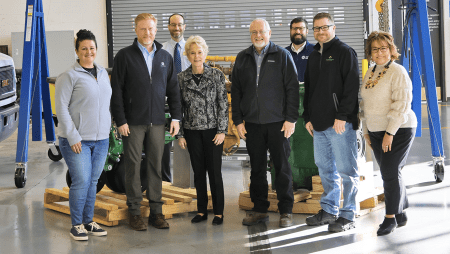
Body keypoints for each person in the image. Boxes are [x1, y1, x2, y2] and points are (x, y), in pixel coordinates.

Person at [110, 13, 181, 231]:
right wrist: (120, 120)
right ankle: (134, 213)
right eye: (142, 29)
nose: (147, 33)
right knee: (133, 165)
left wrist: (176, 117)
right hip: (132, 123)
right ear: (135, 30)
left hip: (158, 122)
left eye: (150, 29)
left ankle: (156, 213)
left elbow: (173, 90)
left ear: (156, 29)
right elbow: (117, 92)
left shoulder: (164, 57)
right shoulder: (124, 56)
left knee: (155, 166)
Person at [231, 18, 299, 228]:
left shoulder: (282, 55)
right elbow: (236, 91)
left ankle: (285, 210)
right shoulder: (242, 58)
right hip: (252, 124)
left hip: (278, 123)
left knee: (282, 167)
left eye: (261, 31)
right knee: (257, 169)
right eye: (253, 32)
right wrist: (238, 121)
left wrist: (291, 119)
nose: (258, 35)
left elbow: (292, 89)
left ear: (269, 33)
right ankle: (260, 209)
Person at [303, 12, 360, 232]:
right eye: (316, 29)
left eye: (324, 27)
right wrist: (308, 117)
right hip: (318, 125)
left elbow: (351, 88)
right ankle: (329, 210)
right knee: (325, 168)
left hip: (340, 124)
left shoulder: (345, 52)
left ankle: (348, 214)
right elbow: (309, 89)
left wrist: (342, 116)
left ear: (333, 28)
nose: (320, 32)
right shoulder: (314, 55)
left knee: (347, 170)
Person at [55, 29, 111, 241]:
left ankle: (88, 221)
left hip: (102, 138)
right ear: (77, 51)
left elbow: (105, 104)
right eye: (84, 48)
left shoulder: (103, 72)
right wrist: (72, 136)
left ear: (96, 49)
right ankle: (76, 224)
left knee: (93, 180)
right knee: (81, 180)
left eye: (92, 48)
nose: (89, 52)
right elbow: (60, 108)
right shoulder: (69, 76)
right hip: (77, 140)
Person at [360, 31, 417, 236]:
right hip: (375, 130)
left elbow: (402, 104)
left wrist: (390, 132)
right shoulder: (371, 72)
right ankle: (400, 213)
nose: (379, 52)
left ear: (391, 50)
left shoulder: (398, 71)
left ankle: (390, 218)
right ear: (370, 53)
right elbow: (366, 104)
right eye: (375, 49)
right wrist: (366, 130)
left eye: (383, 48)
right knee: (392, 172)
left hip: (399, 129)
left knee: (389, 173)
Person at [177, 35, 228, 225]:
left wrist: (222, 130)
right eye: (192, 53)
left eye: (200, 52)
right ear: (187, 55)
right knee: (198, 172)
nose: (196, 56)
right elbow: (179, 108)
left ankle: (218, 212)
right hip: (191, 131)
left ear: (205, 53)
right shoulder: (181, 78)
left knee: (215, 172)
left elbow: (223, 104)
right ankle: (201, 210)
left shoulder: (216, 76)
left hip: (213, 132)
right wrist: (180, 134)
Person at [161, 13, 190, 183]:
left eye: (179, 24)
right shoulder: (161, 50)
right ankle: (165, 182)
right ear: (168, 27)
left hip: (188, 103)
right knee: (164, 143)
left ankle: (187, 183)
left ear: (184, 26)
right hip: (166, 103)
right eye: (173, 25)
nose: (176, 28)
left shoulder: (192, 48)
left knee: (188, 143)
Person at [285, 17, 315, 82]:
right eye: (294, 29)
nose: (297, 32)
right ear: (290, 30)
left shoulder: (316, 51)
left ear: (307, 31)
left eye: (301, 28)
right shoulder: (284, 53)